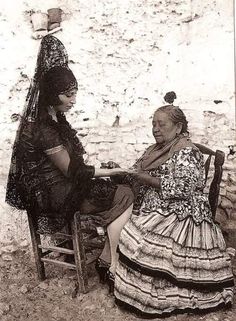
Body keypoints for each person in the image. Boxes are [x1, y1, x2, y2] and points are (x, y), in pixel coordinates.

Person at [5, 35, 134, 281]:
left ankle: (106, 256)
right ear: (53, 95)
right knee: (126, 193)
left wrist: (101, 170)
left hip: (63, 187)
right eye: (68, 95)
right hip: (58, 195)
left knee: (118, 189)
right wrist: (111, 172)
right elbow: (72, 171)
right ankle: (110, 262)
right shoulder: (44, 128)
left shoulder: (56, 120)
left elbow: (73, 164)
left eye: (75, 94)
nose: (73, 101)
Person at [113, 105, 234, 317]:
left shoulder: (187, 151)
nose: (156, 129)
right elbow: (137, 170)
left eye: (162, 124)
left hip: (184, 212)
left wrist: (145, 178)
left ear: (178, 127)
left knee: (148, 244)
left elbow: (184, 188)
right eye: (153, 124)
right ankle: (117, 273)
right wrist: (122, 171)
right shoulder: (155, 150)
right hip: (159, 205)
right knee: (128, 227)